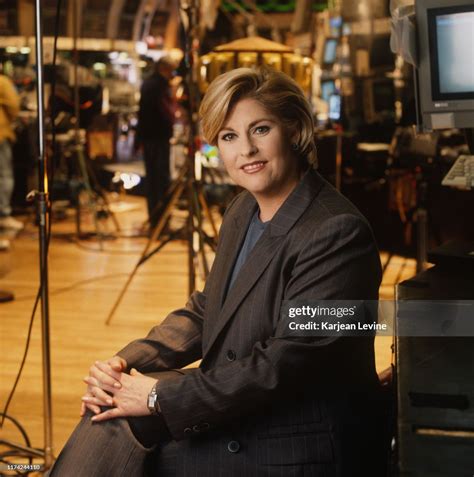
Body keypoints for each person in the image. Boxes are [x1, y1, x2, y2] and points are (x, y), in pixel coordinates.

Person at [50, 67, 389, 476]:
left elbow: (283, 365)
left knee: (123, 434)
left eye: (260, 129)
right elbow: (208, 308)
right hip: (245, 408)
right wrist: (122, 365)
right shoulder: (243, 209)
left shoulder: (336, 232)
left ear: (295, 128)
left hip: (298, 443)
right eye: (228, 136)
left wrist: (158, 395)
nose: (245, 149)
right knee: (110, 408)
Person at [136, 57, 175, 229]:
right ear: (164, 69)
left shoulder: (148, 83)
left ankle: (154, 218)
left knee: (152, 180)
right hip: (159, 137)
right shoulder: (160, 86)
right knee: (161, 180)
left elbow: (142, 112)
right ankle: (162, 220)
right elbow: (166, 111)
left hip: (148, 137)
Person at [0, 72, 22, 243]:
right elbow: (14, 105)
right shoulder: (2, 81)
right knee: (4, 176)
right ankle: (3, 215)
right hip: (0, 134)